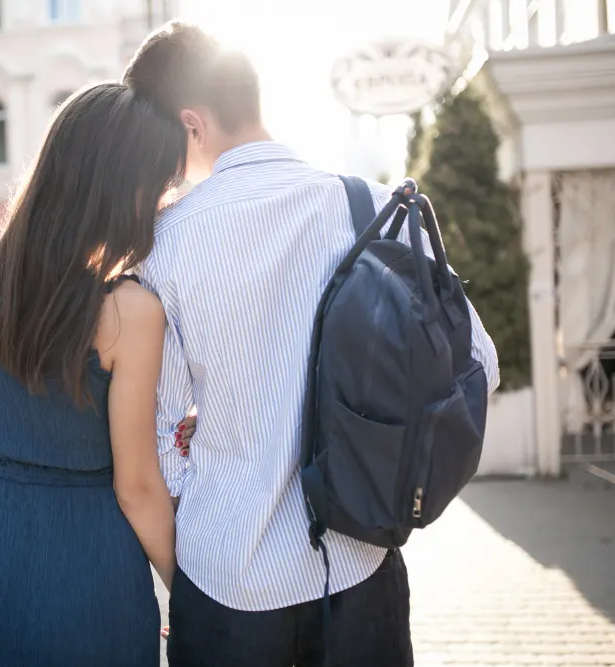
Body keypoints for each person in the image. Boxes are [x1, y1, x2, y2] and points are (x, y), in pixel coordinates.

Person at [123, 23, 501, 667]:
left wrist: (214, 457)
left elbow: (158, 447)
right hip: (360, 570)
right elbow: (479, 368)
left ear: (190, 125)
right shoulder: (372, 207)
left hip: (225, 585)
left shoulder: (167, 245)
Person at [0, 82, 192, 666]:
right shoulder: (128, 310)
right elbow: (137, 486)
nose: (161, 202)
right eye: (158, 185)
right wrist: (194, 596)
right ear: (120, 185)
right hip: (91, 573)